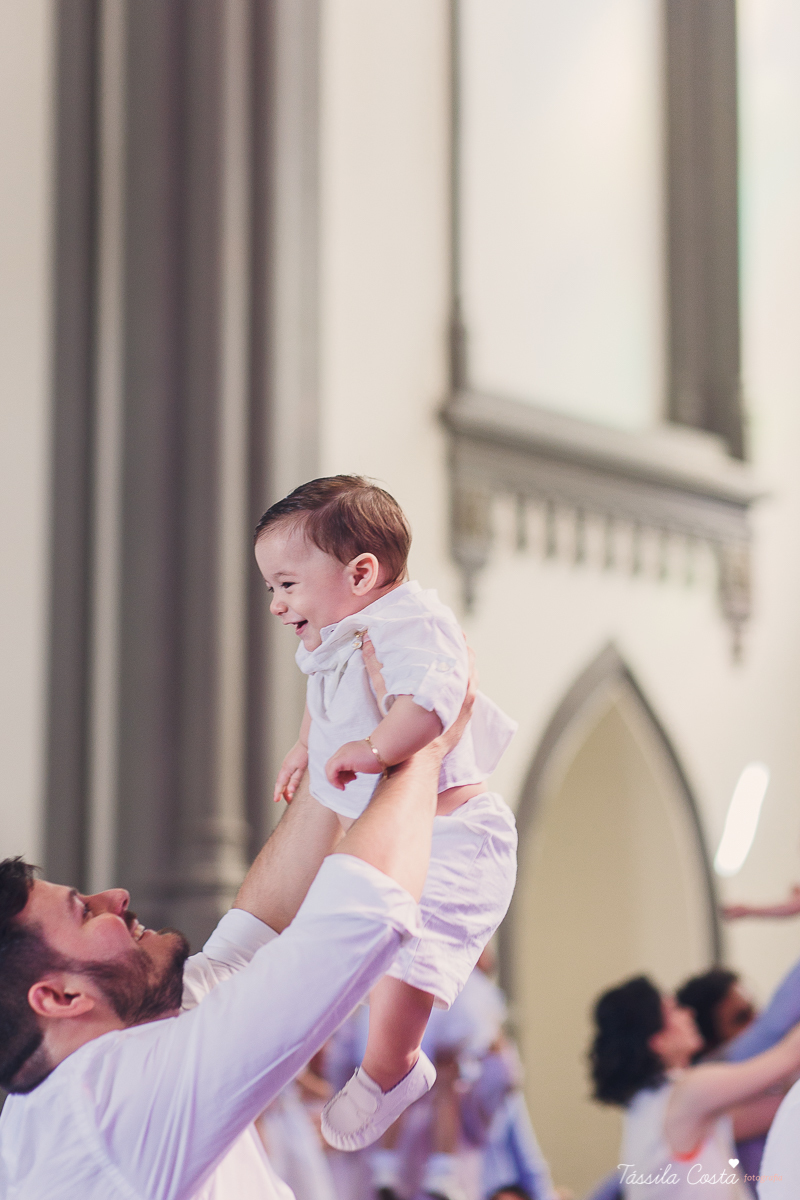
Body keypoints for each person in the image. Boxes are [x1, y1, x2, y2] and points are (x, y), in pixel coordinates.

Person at [0, 652, 476, 1199]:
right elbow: (362, 919)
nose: (115, 897)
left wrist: (339, 719)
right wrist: (422, 749)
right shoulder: (107, 1105)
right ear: (59, 997)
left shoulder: (95, 1064)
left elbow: (250, 941)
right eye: (86, 912)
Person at [254, 475, 518, 1151]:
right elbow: (325, 698)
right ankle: (378, 1063)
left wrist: (376, 747)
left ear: (362, 572)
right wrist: (304, 749)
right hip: (413, 833)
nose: (278, 605)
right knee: (363, 955)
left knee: (408, 971)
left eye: (287, 584)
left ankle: (391, 1071)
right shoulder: (335, 637)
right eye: (271, 589)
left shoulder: (412, 624)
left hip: (459, 835)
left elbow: (435, 701)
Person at [590, 975, 800, 1199]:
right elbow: (788, 1056)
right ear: (658, 1041)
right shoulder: (686, 1092)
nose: (688, 1013)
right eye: (674, 1010)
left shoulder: (653, 1106)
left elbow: (776, 1108)